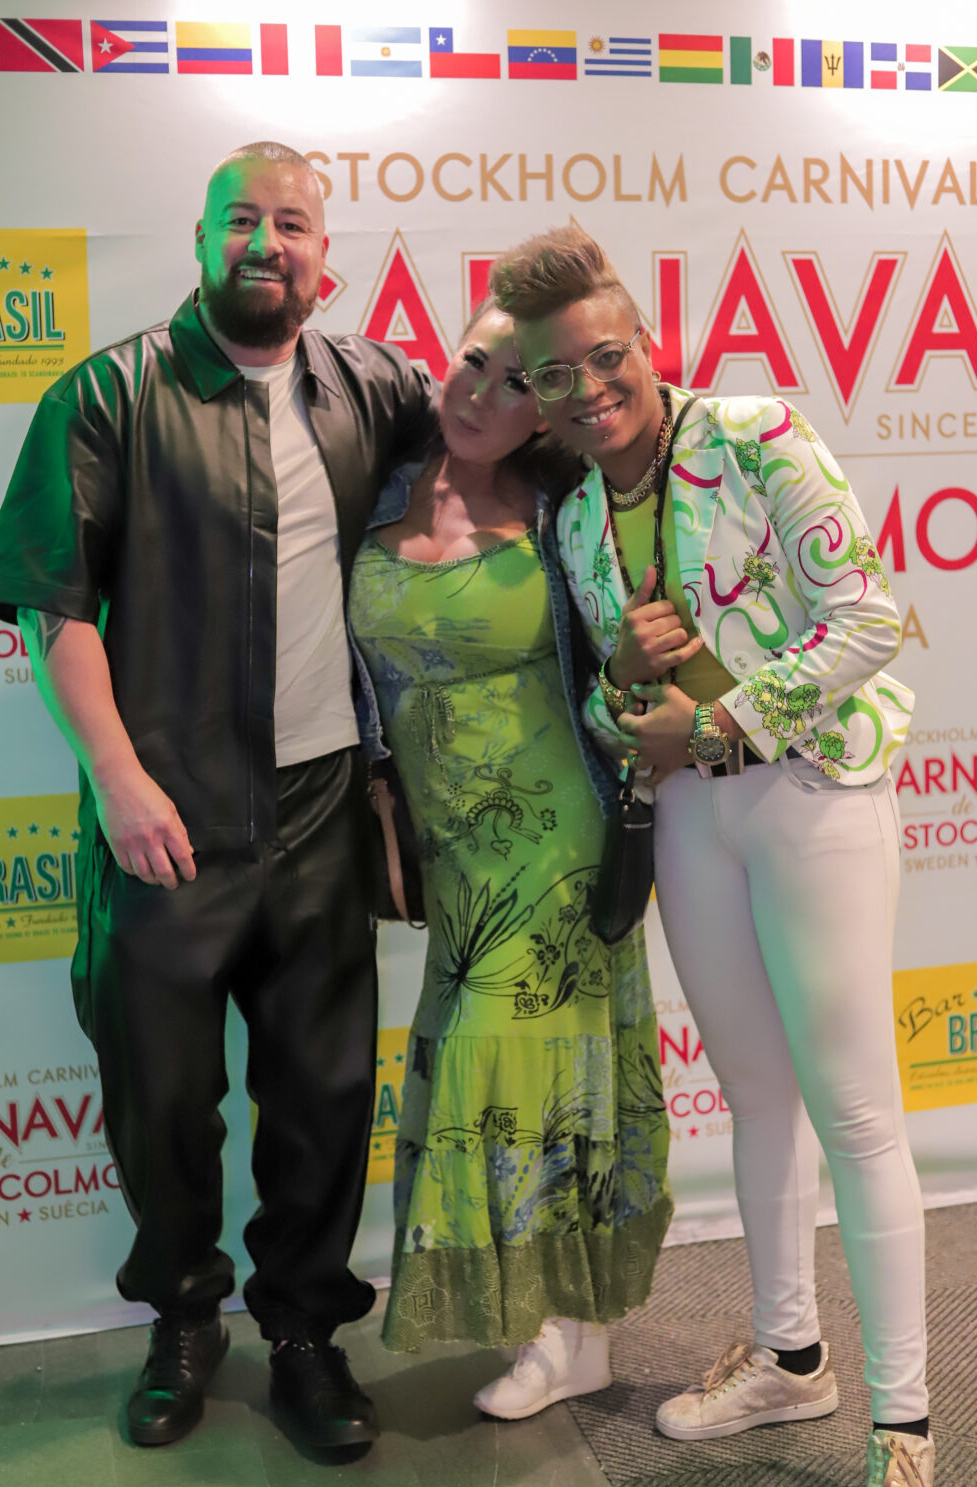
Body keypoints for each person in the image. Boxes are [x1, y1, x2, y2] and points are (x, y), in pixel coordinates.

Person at [0, 141, 436, 1452]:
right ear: (200, 239)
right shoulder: (107, 394)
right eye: (241, 219)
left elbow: (497, 443)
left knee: (324, 1097)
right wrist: (118, 781)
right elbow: (55, 606)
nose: (264, 243)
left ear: (325, 257)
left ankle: (304, 1337)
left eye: (291, 224)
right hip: (162, 819)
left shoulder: (375, 386)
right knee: (161, 1096)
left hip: (323, 810)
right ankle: (183, 1320)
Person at [492, 228, 938, 1487]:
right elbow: (601, 708)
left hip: (810, 794)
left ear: (646, 344)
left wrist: (725, 718)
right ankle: (790, 1356)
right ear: (536, 394)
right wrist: (624, 688)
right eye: (556, 376)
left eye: (605, 358)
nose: (588, 391)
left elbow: (870, 614)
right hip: (690, 815)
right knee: (754, 1097)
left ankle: (905, 1430)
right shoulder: (575, 516)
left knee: (856, 1111)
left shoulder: (755, 437)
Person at [348, 300, 675, 1417]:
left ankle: (558, 1330)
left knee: (535, 1068)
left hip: (554, 842)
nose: (484, 395)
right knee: (511, 1067)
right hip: (451, 855)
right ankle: (574, 1337)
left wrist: (641, 677)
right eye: (475, 363)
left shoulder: (566, 510)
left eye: (521, 382)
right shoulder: (371, 487)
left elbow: (635, 655)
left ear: (548, 409)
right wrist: (379, 798)